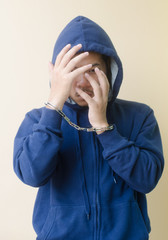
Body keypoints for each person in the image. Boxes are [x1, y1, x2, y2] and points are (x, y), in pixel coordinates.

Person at [13, 16, 164, 240]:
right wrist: (54, 107)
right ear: (58, 73)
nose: (83, 81)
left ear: (109, 71)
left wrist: (104, 128)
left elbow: (147, 179)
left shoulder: (140, 116)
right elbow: (31, 176)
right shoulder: (38, 121)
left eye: (93, 70)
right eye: (73, 70)